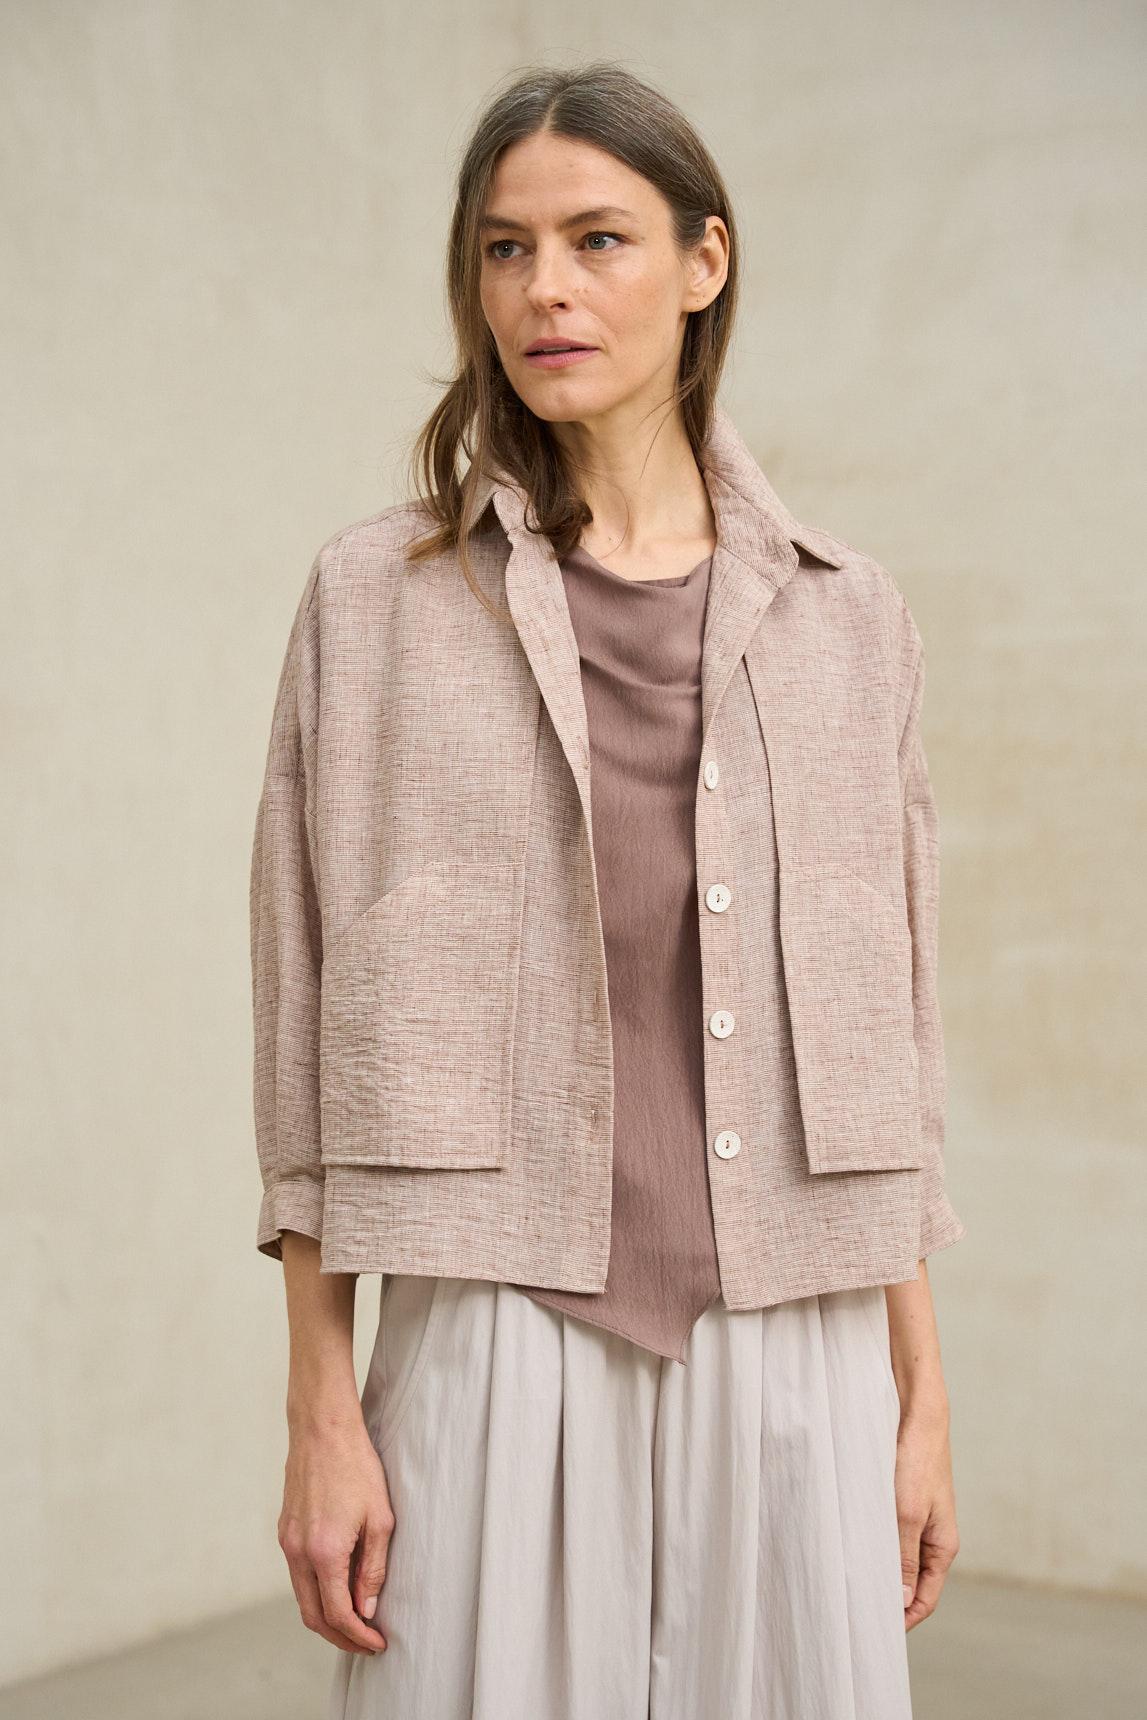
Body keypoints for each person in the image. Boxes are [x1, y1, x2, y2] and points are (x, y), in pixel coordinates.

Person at [249, 60, 965, 1720]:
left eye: (596, 239)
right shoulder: (375, 603)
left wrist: (921, 1394)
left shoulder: (854, 623)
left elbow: (895, 1039)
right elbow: (301, 1024)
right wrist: (321, 1408)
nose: (544, 290)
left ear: (705, 262)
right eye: (505, 249)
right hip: (492, 1321)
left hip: (797, 1334)